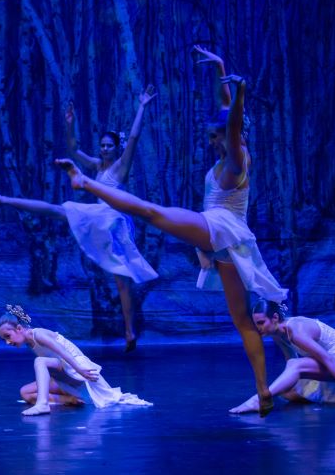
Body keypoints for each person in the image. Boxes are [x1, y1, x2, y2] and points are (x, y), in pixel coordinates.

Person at [55, 51, 287, 417]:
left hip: (219, 225)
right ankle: (263, 390)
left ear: (228, 135)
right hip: (229, 243)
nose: (212, 142)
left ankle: (84, 183)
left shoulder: (236, 158)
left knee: (152, 212)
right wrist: (221, 69)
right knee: (242, 321)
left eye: (215, 137)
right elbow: (227, 112)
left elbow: (233, 119)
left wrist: (240, 92)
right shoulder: (233, 151)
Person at [0, 87, 159, 350]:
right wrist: (70, 124)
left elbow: (133, 137)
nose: (105, 149)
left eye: (109, 146)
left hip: (114, 221)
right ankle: (4, 199)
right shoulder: (97, 165)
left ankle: (129, 330)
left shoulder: (121, 165)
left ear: (117, 148)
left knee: (121, 281)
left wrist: (142, 106)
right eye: (102, 145)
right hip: (98, 218)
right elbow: (74, 149)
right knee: (57, 209)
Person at [0, 305, 152, 416]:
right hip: (63, 373)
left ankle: (43, 404)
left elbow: (63, 352)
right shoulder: (29, 342)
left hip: (74, 369)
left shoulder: (39, 334)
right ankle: (71, 399)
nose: (8, 342)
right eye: (4, 340)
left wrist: (79, 369)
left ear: (19, 329)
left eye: (8, 336)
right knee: (25, 392)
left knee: (40, 362)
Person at [229, 300, 335, 413]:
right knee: (287, 392)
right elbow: (291, 360)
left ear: (275, 318)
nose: (258, 329)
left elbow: (328, 359)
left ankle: (258, 399)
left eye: (261, 323)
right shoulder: (277, 335)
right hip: (329, 363)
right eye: (255, 325)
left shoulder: (296, 330)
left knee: (294, 367)